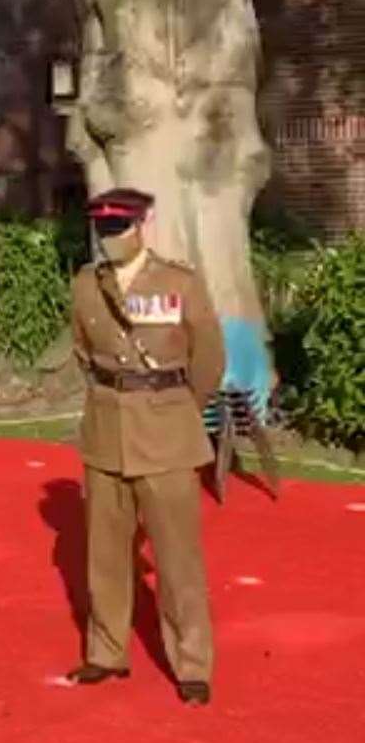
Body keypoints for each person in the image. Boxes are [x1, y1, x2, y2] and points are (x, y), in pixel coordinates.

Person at [68, 187, 225, 706]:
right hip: (106, 430)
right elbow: (83, 353)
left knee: (178, 559)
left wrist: (175, 407)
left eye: (120, 228)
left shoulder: (179, 283)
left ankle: (192, 662)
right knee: (105, 556)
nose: (111, 239)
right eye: (103, 231)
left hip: (166, 434)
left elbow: (208, 361)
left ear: (144, 225)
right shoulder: (86, 285)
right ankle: (107, 649)